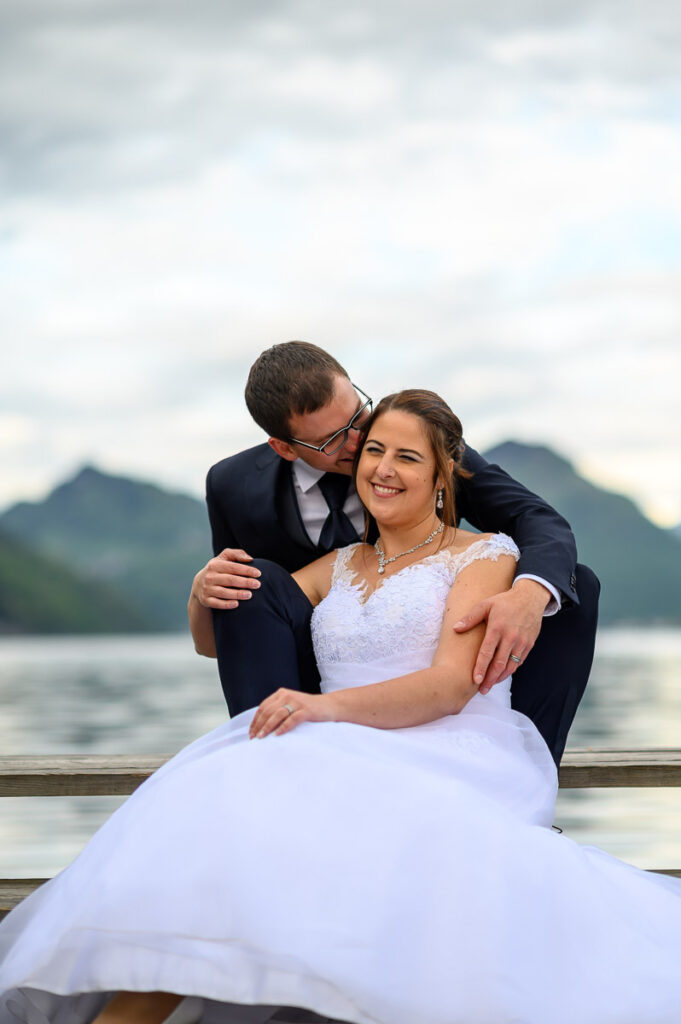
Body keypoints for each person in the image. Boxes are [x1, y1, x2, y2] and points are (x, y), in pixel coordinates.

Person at [1, 390, 680, 1024]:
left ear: (444, 475)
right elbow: (219, 644)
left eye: (407, 457)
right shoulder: (340, 565)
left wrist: (319, 709)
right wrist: (198, 595)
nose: (382, 468)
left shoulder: (483, 557)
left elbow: (449, 686)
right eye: (375, 451)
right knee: (226, 795)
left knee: (263, 808)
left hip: (446, 743)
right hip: (348, 743)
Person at [191, 342, 599, 764]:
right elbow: (234, 628)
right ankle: (265, 769)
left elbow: (538, 518)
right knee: (249, 580)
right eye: (333, 439)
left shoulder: (415, 441)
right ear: (285, 447)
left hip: (442, 674)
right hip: (310, 667)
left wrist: (529, 596)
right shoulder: (233, 486)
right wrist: (202, 590)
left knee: (572, 588)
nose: (358, 440)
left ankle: (529, 773)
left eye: (356, 416)